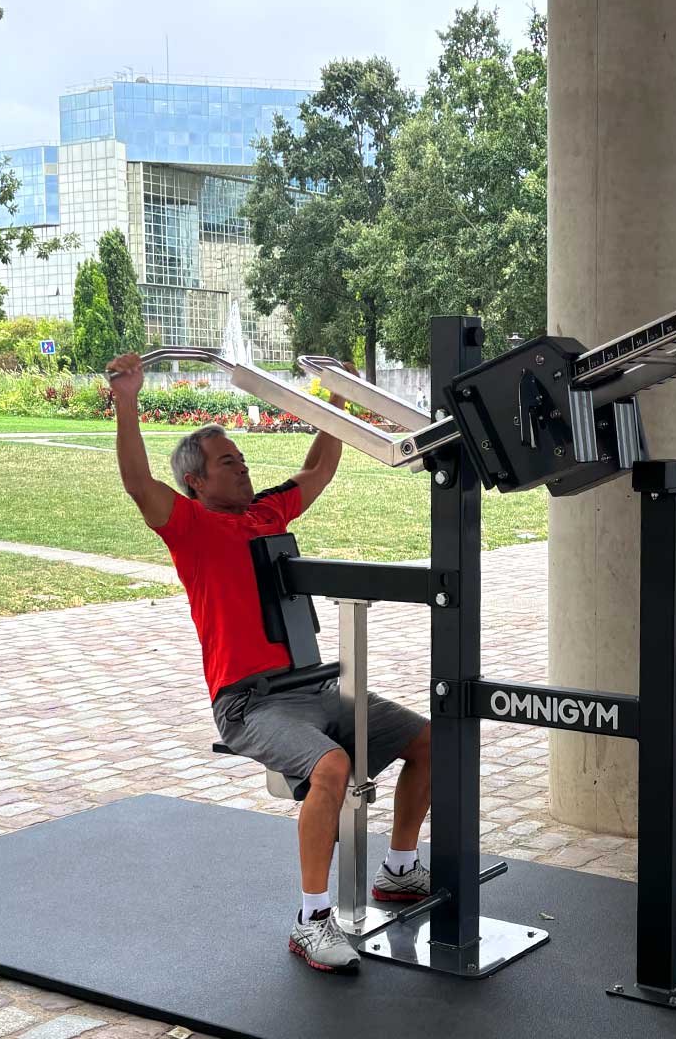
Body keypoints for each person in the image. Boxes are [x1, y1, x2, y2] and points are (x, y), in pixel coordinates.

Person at [107, 352, 433, 975]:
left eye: (242, 458)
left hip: (311, 689)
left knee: (428, 740)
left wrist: (331, 401)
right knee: (333, 766)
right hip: (249, 702)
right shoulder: (190, 527)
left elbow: (318, 466)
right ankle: (312, 921)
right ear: (197, 482)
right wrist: (128, 402)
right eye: (229, 462)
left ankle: (398, 870)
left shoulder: (267, 512)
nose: (243, 466)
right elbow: (136, 483)